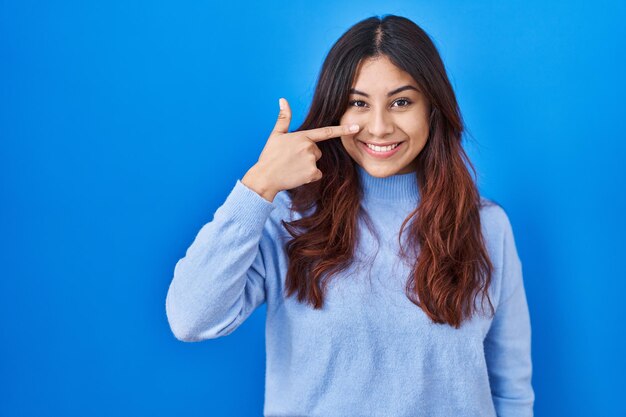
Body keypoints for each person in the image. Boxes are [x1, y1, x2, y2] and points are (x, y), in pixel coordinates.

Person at [165, 14, 534, 417]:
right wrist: (259, 186)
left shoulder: (485, 226)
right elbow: (190, 318)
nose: (378, 127)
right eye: (358, 103)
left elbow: (511, 390)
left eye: (401, 102)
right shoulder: (290, 219)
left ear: (432, 108)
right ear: (335, 111)